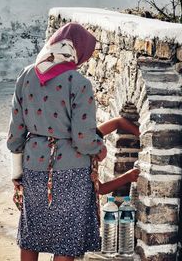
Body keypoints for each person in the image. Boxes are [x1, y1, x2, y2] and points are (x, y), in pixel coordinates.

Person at [7, 23, 108, 261]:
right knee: (66, 239)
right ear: (76, 50)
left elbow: (15, 133)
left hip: (33, 167)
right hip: (71, 171)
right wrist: (100, 149)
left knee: (32, 232)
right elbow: (83, 139)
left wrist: (16, 171)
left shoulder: (26, 75)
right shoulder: (79, 83)